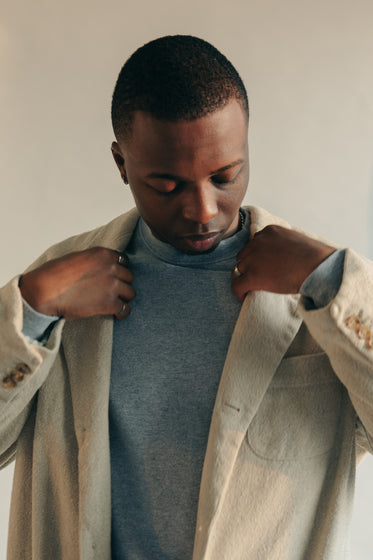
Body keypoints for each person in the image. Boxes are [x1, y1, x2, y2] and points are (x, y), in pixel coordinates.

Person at [0, 35, 372, 560]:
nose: (202, 209)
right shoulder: (59, 287)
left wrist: (332, 278)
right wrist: (30, 307)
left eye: (225, 176)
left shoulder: (320, 296)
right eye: (167, 185)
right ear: (121, 163)